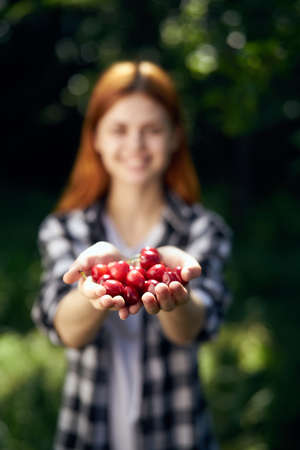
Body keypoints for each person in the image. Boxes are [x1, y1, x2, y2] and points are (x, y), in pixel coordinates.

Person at [31, 60, 232, 450]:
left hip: (179, 432)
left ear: (175, 137)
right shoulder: (64, 229)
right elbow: (66, 329)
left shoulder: (203, 230)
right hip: (88, 431)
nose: (136, 145)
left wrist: (176, 292)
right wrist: (90, 292)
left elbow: (192, 328)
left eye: (152, 130)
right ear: (96, 139)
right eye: (119, 129)